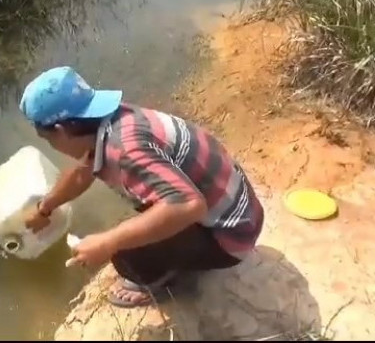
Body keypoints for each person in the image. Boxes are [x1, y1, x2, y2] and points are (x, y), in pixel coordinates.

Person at [20, 66, 264, 308]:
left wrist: (108, 242)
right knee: (139, 220)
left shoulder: (124, 150)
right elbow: (81, 174)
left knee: (127, 256)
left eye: (48, 139)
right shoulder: (112, 120)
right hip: (241, 211)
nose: (52, 145)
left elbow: (189, 205)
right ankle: (174, 253)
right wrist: (45, 208)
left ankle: (156, 284)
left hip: (231, 239)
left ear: (61, 131)